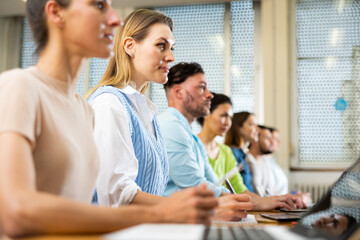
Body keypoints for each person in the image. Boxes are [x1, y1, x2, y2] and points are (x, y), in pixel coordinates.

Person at [0, 1, 218, 237]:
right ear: (56, 12)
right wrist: (162, 213)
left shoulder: (83, 109)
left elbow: (82, 210)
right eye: (99, 5)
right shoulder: (19, 86)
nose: (115, 19)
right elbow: (16, 213)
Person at [158, 62, 305, 217]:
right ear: (178, 92)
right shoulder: (170, 125)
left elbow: (217, 186)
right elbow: (195, 185)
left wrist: (263, 202)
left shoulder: (193, 139)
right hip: (168, 221)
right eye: (201, 87)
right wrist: (258, 203)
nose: (209, 94)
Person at [86, 9, 176, 207]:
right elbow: (117, 195)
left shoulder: (145, 110)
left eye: (172, 48)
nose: (171, 57)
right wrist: (183, 209)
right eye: (161, 45)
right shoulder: (109, 104)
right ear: (130, 46)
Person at [197, 92, 247, 194]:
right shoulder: (192, 146)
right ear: (206, 112)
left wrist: (268, 201)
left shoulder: (226, 151)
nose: (228, 123)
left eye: (231, 118)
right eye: (224, 115)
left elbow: (240, 190)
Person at [224, 112, 258, 192]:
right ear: (239, 127)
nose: (257, 129)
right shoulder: (232, 153)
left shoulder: (243, 154)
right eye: (252, 124)